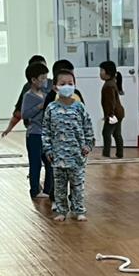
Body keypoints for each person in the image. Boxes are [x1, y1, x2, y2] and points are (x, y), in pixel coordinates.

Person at [42, 69, 94, 222]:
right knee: (60, 186)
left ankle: (79, 210)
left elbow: (87, 127)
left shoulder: (79, 107)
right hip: (58, 156)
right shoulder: (51, 108)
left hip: (77, 156)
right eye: (63, 83)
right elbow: (46, 131)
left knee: (78, 185)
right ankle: (61, 210)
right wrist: (48, 149)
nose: (67, 86)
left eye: (70, 83)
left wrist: (88, 145)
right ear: (55, 87)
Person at [19, 61, 53, 200]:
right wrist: (39, 107)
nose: (45, 81)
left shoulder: (45, 94)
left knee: (50, 162)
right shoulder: (29, 96)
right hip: (34, 134)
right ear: (33, 80)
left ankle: (48, 189)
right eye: (42, 78)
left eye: (46, 77)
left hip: (46, 134)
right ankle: (34, 190)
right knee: (35, 163)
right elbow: (24, 114)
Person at [1, 55, 48, 138]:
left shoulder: (52, 84)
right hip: (34, 131)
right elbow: (20, 112)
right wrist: (9, 128)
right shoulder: (28, 89)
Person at [99, 60, 125, 159]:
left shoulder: (108, 85)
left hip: (114, 114)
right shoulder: (111, 82)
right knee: (117, 134)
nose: (100, 73)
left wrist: (109, 115)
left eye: (102, 70)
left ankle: (106, 154)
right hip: (119, 113)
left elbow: (111, 102)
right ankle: (120, 154)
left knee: (106, 133)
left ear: (108, 72)